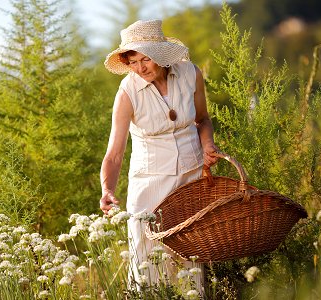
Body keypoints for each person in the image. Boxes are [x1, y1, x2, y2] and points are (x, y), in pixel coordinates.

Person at [99, 19, 219, 291]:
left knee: (189, 257)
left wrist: (208, 145)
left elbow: (202, 119)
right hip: (149, 184)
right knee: (146, 261)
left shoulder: (191, 73)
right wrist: (107, 189)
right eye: (132, 62)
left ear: (160, 55)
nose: (140, 68)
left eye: (145, 60)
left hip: (190, 178)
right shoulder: (128, 92)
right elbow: (115, 153)